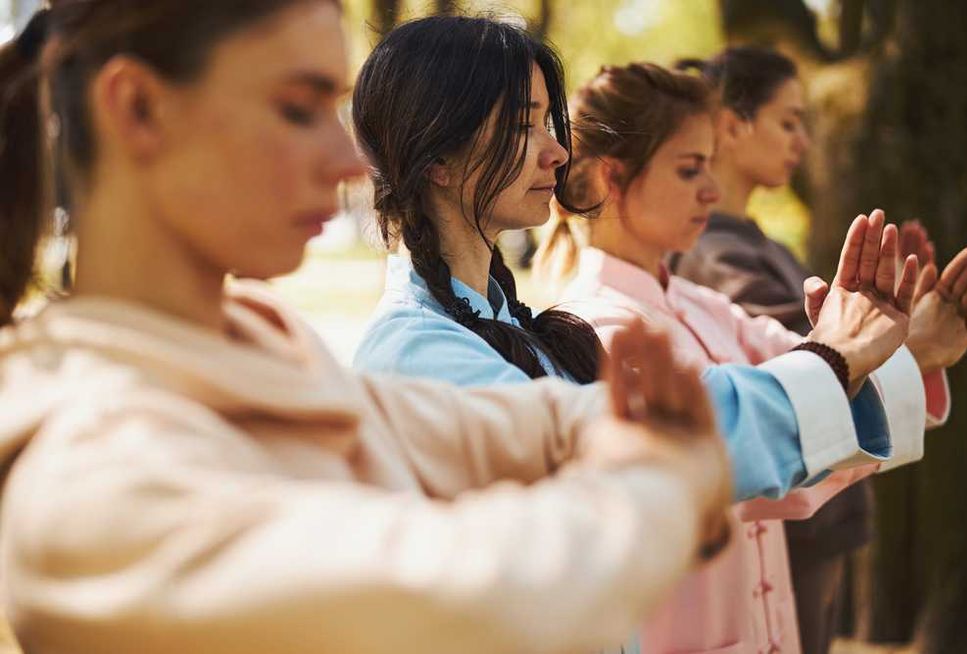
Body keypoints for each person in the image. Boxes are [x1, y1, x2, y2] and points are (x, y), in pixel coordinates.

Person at [0, 3, 743, 653]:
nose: (350, 160)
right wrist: (669, 478)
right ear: (137, 109)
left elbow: (517, 421)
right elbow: (480, 593)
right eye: (297, 108)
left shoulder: (262, 353)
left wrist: (659, 429)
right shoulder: (92, 478)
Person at [352, 15, 928, 509]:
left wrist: (852, 354)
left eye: (547, 123)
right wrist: (834, 356)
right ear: (437, 160)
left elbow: (705, 424)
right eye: (521, 126)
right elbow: (639, 454)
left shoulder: (505, 323)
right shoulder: (417, 353)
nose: (556, 152)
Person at [537, 60, 967, 654]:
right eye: (691, 170)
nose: (713, 192)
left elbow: (806, 381)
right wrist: (895, 348)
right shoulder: (595, 323)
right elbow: (762, 434)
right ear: (614, 179)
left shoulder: (703, 304)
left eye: (710, 168)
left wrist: (894, 347)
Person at [670, 46, 967, 654]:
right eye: (788, 121)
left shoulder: (765, 248)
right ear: (733, 125)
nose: (804, 143)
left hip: (824, 510)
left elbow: (835, 347)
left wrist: (896, 327)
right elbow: (798, 357)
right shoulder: (709, 254)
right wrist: (904, 340)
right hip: (788, 516)